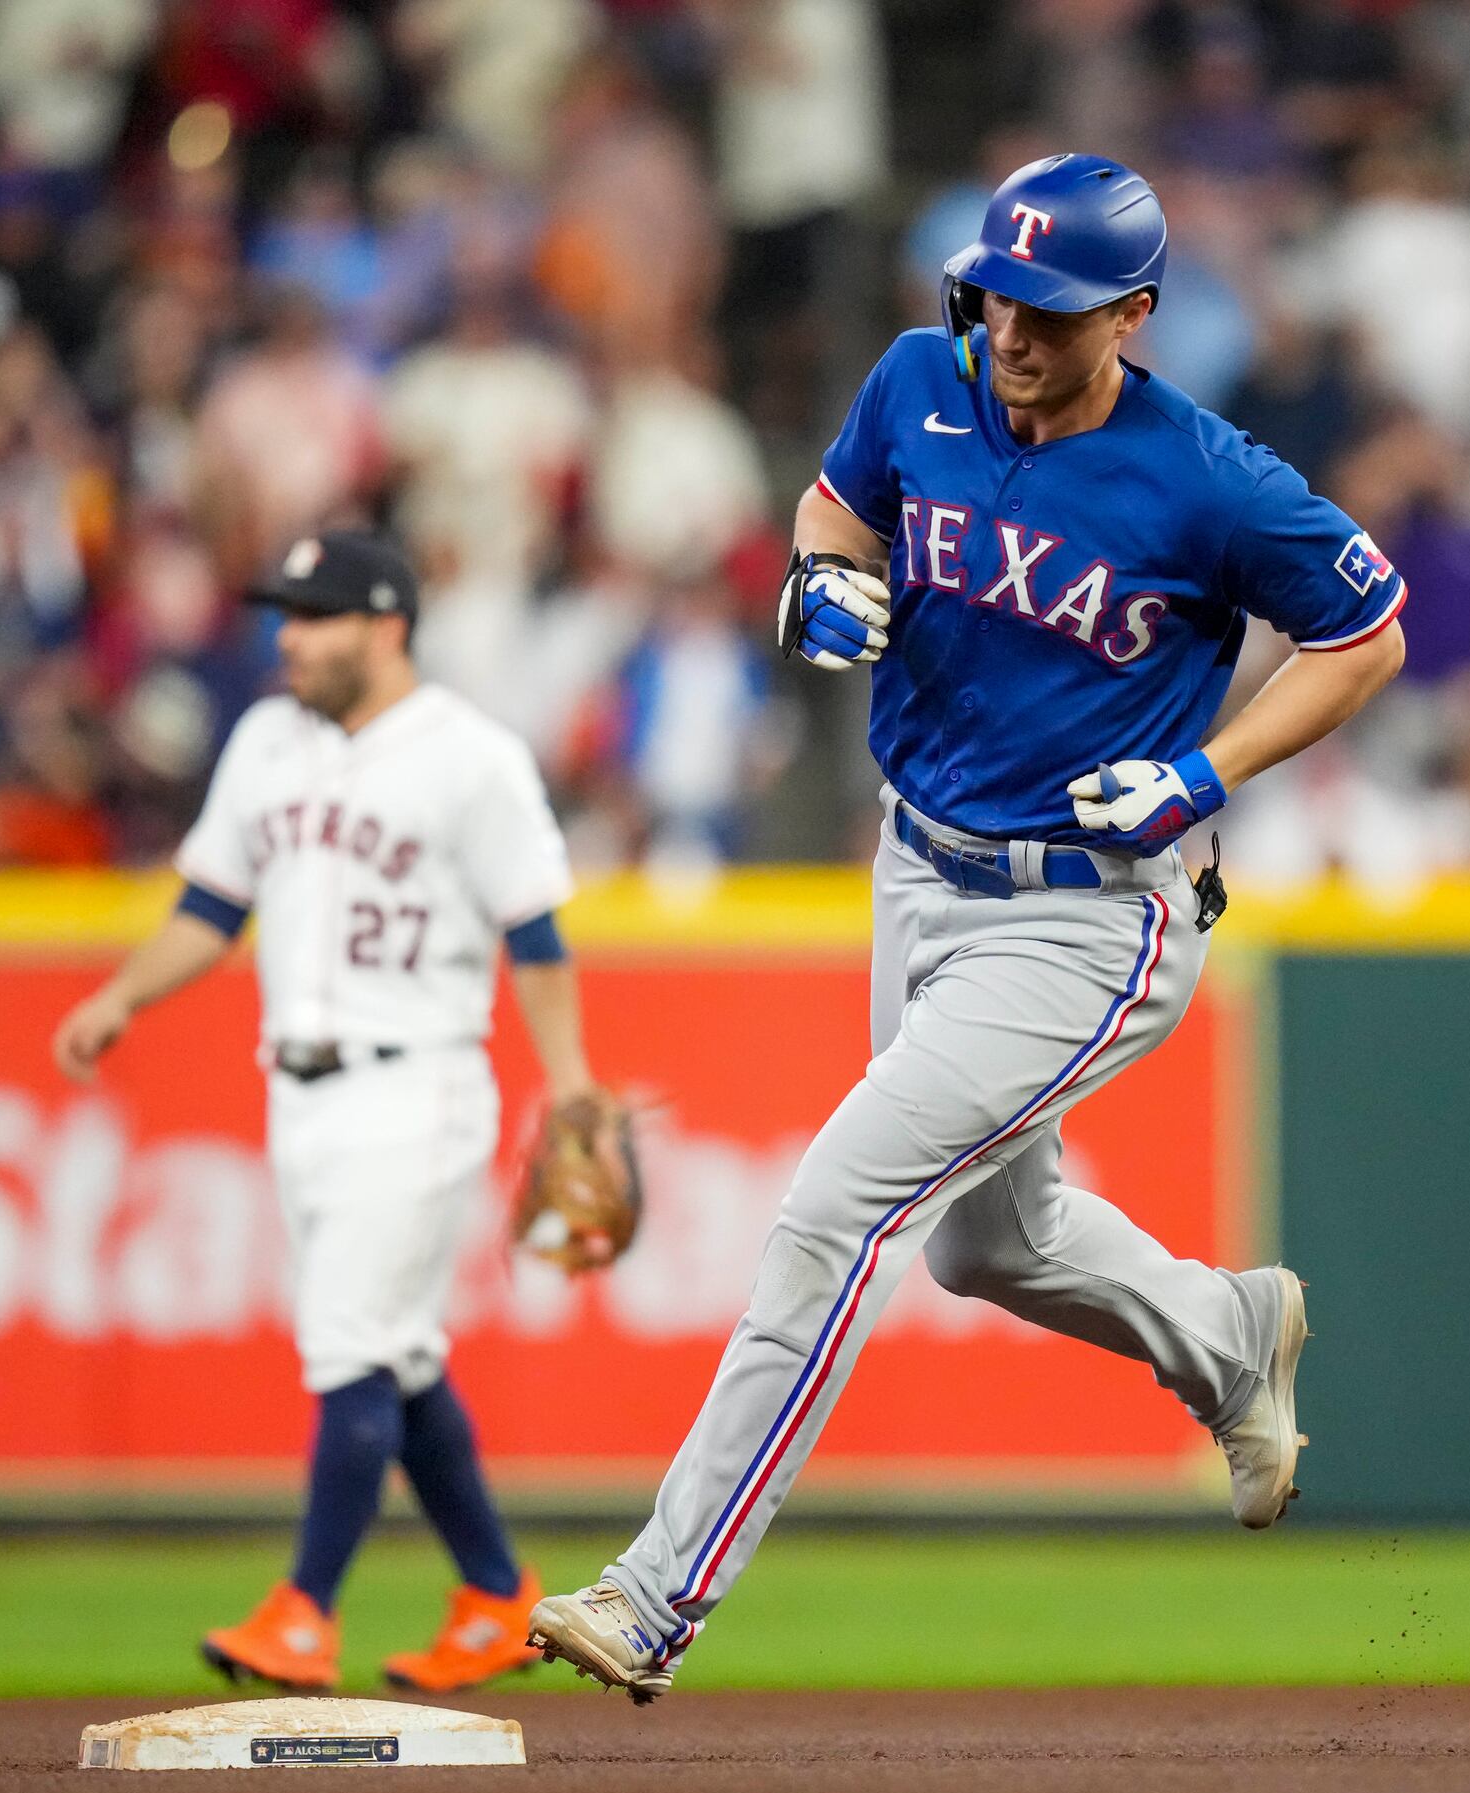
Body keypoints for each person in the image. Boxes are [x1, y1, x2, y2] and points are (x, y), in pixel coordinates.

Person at [528, 154, 1409, 1701]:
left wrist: (1209, 766)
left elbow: (1364, 632)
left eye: (1050, 310)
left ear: (1133, 314)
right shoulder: (916, 381)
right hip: (918, 862)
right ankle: (1224, 1329)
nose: (1009, 329)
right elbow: (835, 506)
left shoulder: (1205, 474)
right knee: (986, 1243)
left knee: (837, 1210)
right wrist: (818, 574)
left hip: (1089, 911)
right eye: (993, 294)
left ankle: (656, 1594)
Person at [51, 527, 610, 1695]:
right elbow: (211, 906)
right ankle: (498, 1597)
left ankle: (304, 1612)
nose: (289, 636)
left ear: (387, 624)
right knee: (397, 1359)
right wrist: (120, 999)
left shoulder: (470, 755)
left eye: (315, 616)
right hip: (296, 1089)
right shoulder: (265, 741)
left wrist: (568, 1081)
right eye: (286, 614)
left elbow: (535, 931)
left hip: (419, 1082)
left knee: (352, 1349)